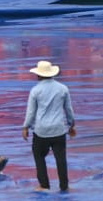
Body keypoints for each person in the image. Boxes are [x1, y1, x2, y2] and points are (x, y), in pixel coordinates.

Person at [22, 60, 75, 192]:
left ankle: (44, 184)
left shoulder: (35, 90)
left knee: (39, 156)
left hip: (41, 130)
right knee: (61, 158)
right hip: (58, 129)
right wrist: (71, 125)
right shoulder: (63, 88)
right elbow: (68, 110)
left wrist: (26, 127)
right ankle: (64, 186)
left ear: (38, 75)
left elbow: (31, 112)